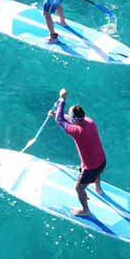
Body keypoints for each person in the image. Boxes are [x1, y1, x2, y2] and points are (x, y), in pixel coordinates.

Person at [51, 88, 106, 216]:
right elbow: (64, 118)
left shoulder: (76, 131)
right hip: (102, 160)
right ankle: (98, 188)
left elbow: (60, 120)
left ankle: (85, 210)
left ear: (74, 120)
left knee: (78, 188)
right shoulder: (90, 121)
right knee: (97, 170)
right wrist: (57, 114)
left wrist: (62, 100)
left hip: (90, 168)